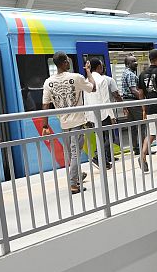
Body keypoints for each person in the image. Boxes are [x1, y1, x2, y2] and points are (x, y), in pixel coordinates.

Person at [40, 51, 96, 193]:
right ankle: (73, 184)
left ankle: (76, 176)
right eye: (68, 60)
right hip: (77, 122)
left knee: (71, 153)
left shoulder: (48, 82)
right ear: (65, 62)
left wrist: (45, 126)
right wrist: (89, 72)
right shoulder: (76, 77)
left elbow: (45, 105)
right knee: (76, 152)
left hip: (63, 123)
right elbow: (92, 87)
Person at [84, 58, 123, 170]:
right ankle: (97, 156)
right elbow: (106, 100)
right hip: (104, 113)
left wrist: (87, 117)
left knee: (100, 137)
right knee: (109, 137)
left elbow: (85, 100)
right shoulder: (102, 80)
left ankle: (103, 160)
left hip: (92, 115)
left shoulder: (87, 80)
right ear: (99, 67)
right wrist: (112, 116)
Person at [119, 55, 145, 155]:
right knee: (142, 124)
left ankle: (136, 148)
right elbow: (134, 90)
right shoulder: (130, 74)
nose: (136, 63)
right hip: (133, 101)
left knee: (133, 126)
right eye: (134, 61)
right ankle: (144, 148)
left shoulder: (125, 73)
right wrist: (143, 100)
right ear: (128, 64)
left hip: (127, 101)